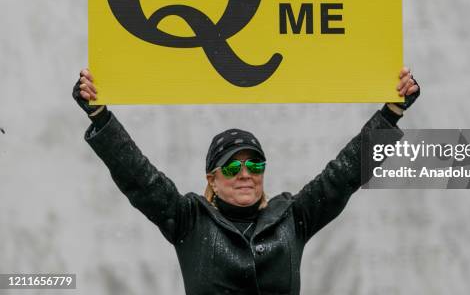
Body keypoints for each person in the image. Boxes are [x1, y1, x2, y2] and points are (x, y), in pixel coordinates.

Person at [73, 67, 420, 295]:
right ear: (212, 178)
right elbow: (138, 176)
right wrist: (100, 116)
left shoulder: (292, 218)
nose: (245, 173)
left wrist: (391, 113)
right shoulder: (188, 220)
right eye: (231, 167)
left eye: (254, 163)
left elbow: (344, 173)